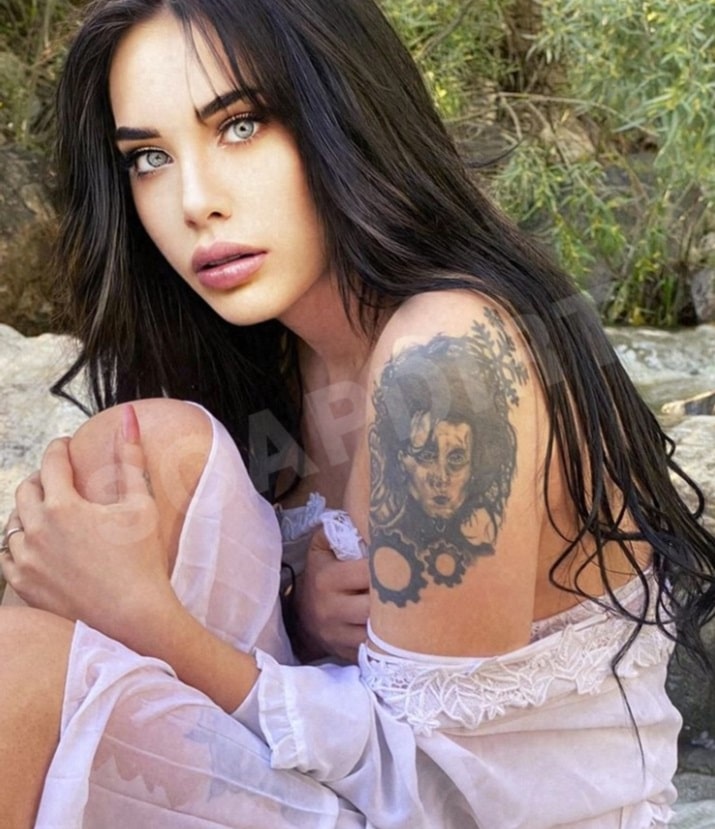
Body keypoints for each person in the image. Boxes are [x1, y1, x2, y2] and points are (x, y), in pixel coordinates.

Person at [0, 0, 713, 826]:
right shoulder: (277, 363)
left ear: (345, 111)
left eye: (240, 126)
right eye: (150, 157)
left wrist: (145, 619)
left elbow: (445, 800)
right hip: (357, 786)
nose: (194, 201)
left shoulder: (444, 361)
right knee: (132, 453)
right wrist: (297, 611)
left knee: (22, 666)